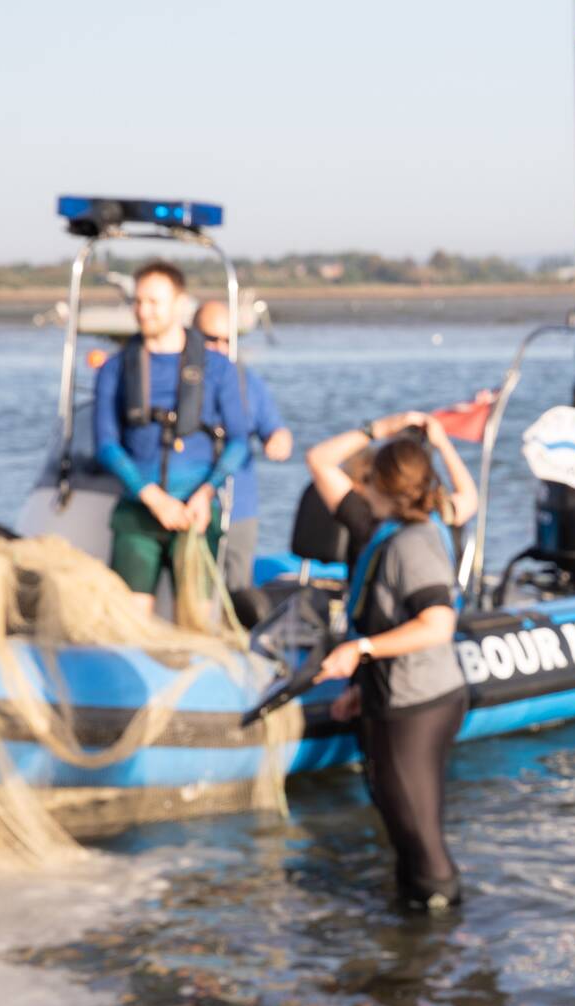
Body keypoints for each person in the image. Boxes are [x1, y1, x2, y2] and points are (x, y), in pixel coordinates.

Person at [306, 413, 477, 910]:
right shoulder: (411, 524)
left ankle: (436, 946)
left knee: (421, 837)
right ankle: (412, 937)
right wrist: (363, 685)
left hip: (419, 701)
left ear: (376, 484)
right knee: (403, 828)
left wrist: (361, 651)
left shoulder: (413, 541)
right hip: (392, 693)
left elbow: (437, 623)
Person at [94, 261, 250, 616]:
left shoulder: (218, 368)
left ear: (179, 304)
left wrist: (205, 492)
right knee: (130, 620)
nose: (142, 311)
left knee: (195, 618)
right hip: (138, 511)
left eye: (153, 302)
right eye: (138, 301)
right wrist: (153, 499)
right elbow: (105, 443)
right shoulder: (115, 368)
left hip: (195, 513)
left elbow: (239, 440)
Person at [193, 298, 292, 595]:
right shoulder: (178, 377)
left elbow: (276, 429)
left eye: (228, 340)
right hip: (190, 507)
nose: (221, 348)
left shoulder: (246, 380)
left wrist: (279, 441)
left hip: (239, 508)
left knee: (237, 590)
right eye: (211, 340)